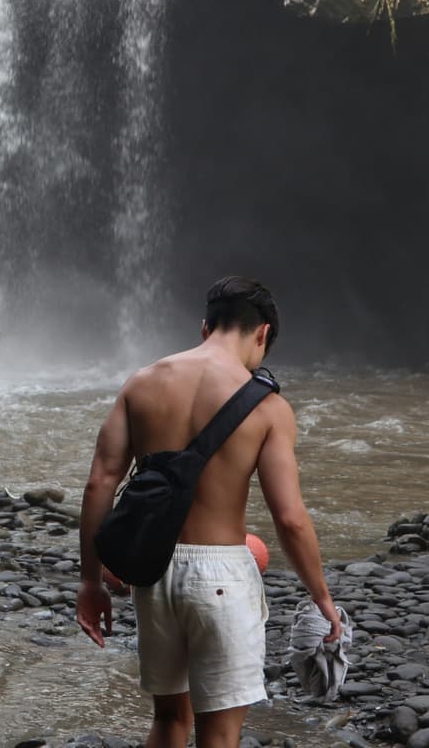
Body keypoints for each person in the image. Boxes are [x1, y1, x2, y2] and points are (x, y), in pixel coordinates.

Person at [76, 276, 340, 748]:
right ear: (262, 333)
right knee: (218, 733)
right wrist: (321, 598)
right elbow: (290, 518)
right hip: (222, 575)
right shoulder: (269, 407)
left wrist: (90, 582)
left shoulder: (141, 383)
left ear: (205, 327)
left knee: (169, 720)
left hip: (152, 573)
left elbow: (100, 482)